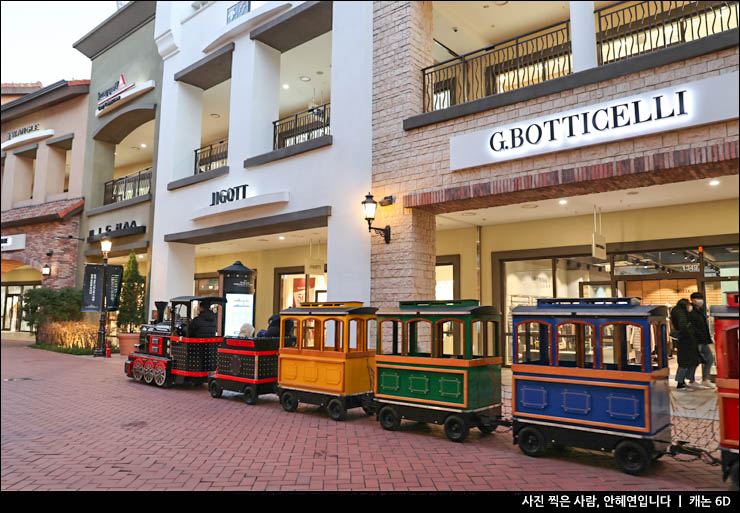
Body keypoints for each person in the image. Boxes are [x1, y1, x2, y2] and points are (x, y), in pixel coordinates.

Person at [670, 298, 701, 392]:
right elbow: (683, 326)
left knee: (686, 361)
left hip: (683, 339)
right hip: (686, 340)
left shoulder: (677, 311)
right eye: (688, 305)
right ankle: (681, 382)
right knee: (686, 361)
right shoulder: (681, 313)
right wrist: (690, 334)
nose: (689, 307)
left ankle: (683, 380)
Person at [687, 292, 716, 389]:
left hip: (703, 340)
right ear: (692, 300)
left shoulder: (700, 311)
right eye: (698, 299)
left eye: (701, 298)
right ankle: (691, 380)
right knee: (695, 360)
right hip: (695, 340)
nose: (700, 301)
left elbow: (704, 326)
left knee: (710, 358)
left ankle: (705, 379)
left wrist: (708, 338)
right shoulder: (690, 311)